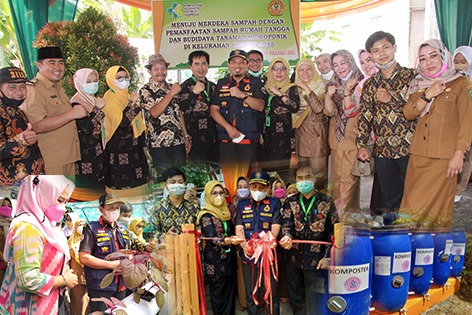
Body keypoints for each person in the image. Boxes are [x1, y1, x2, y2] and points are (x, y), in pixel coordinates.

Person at [398, 39, 472, 228]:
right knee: (410, 207)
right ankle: (410, 250)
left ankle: (432, 251)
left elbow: (467, 121)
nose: (428, 62)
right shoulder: (419, 83)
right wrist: (427, 95)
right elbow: (408, 113)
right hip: (418, 156)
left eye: (433, 56)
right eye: (422, 59)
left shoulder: (462, 83)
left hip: (444, 159)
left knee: (436, 211)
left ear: (442, 56)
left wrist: (459, 154)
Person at [356, 31, 417, 224]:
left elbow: (418, 109)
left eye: (386, 48)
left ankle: (414, 237)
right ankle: (394, 240)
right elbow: (365, 115)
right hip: (383, 151)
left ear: (395, 48)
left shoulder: (412, 77)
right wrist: (361, 145)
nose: (382, 54)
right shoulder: (370, 85)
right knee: (390, 201)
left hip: (411, 148)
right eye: (376, 51)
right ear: (371, 55)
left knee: (413, 196)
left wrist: (392, 100)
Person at [0, 175, 78, 314]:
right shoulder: (28, 228)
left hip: (48, 303)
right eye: (59, 200)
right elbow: (28, 279)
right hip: (28, 307)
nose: (63, 207)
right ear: (42, 194)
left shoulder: (47, 225)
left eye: (65, 202)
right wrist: (64, 280)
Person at [279, 166, 339, 315]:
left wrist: (327, 257)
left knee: (316, 298)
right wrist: (286, 236)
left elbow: (334, 232)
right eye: (300, 178)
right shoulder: (290, 201)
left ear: (314, 179)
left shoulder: (326, 201)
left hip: (317, 260)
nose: (303, 181)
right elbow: (287, 225)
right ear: (295, 180)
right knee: (297, 297)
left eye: (307, 177)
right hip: (294, 258)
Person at [22, 47, 87, 175]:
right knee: (54, 196)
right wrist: (71, 114)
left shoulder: (57, 87)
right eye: (51, 63)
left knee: (69, 195)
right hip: (51, 161)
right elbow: (37, 125)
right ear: (39, 65)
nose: (58, 67)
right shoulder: (34, 89)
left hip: (68, 157)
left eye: (61, 63)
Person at [210, 49, 267, 174]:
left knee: (248, 178)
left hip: (248, 139)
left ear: (247, 65)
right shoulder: (221, 83)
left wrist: (243, 95)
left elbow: (260, 106)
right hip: (226, 139)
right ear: (229, 65)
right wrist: (228, 128)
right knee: (229, 178)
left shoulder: (256, 83)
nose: (237, 65)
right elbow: (214, 110)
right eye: (234, 62)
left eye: (241, 62)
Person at [235, 171, 282, 315]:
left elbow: (275, 229)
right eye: (254, 187)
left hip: (268, 255)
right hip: (248, 256)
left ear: (268, 188)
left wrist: (262, 246)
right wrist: (244, 245)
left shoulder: (274, 203)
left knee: (271, 292)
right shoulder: (242, 204)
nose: (257, 190)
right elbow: (239, 228)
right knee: (251, 293)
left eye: (261, 187)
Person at [325, 50, 364, 215]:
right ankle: (348, 219)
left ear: (350, 61)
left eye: (343, 63)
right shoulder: (333, 83)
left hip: (353, 136)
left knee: (347, 182)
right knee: (337, 181)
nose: (340, 67)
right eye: (336, 64)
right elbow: (329, 112)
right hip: (336, 138)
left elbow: (356, 111)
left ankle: (342, 222)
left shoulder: (361, 81)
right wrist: (328, 95)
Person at [79, 193, 131, 313]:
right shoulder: (91, 228)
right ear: (101, 209)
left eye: (117, 208)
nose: (114, 211)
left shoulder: (123, 229)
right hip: (101, 285)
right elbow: (84, 257)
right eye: (111, 208)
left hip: (121, 284)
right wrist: (111, 265)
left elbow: (129, 252)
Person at [139, 54, 191, 173]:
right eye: (156, 69)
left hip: (178, 141)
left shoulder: (173, 87)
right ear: (149, 71)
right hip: (158, 144)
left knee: (180, 177)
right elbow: (154, 112)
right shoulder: (146, 90)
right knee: (163, 180)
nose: (160, 72)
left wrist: (186, 136)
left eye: (163, 68)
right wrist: (171, 94)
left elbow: (179, 113)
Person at [197, 180, 241, 315]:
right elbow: (212, 239)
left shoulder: (226, 212)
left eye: (221, 193)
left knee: (230, 294)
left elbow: (232, 231)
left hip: (229, 260)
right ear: (208, 196)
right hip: (215, 263)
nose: (218, 196)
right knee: (218, 296)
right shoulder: (205, 215)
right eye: (214, 193)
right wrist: (227, 240)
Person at [102, 65, 149, 192]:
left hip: (135, 151)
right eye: (119, 78)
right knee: (122, 187)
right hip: (119, 152)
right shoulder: (110, 99)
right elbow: (122, 123)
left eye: (125, 77)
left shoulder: (127, 96)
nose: (123, 80)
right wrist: (132, 103)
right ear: (111, 80)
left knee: (139, 187)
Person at [0, 66, 44, 186]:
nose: (19, 92)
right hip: (10, 189)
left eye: (23, 87)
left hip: (30, 182)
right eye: (12, 87)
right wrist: (20, 141)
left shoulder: (17, 110)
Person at [357, 49, 385, 219]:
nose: (366, 65)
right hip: (371, 138)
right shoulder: (363, 85)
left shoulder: (388, 80)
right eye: (363, 62)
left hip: (390, 139)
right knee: (377, 177)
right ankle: (377, 215)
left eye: (369, 60)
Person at [293, 58, 329, 191]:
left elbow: (318, 108)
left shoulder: (321, 87)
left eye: (308, 69)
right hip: (300, 137)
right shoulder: (294, 89)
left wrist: (306, 87)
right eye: (301, 70)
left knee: (318, 175)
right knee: (303, 176)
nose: (305, 73)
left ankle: (320, 206)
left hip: (317, 137)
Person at [260, 57, 299, 176]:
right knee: (268, 174)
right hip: (267, 137)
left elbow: (294, 107)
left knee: (284, 173)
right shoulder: (264, 88)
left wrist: (279, 93)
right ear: (270, 71)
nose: (278, 72)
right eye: (275, 69)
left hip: (286, 138)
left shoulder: (292, 87)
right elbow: (261, 112)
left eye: (282, 69)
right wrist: (260, 134)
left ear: (287, 71)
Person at [179, 50, 218, 164]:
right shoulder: (184, 87)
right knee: (198, 175)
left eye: (204, 63)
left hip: (213, 138)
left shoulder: (213, 87)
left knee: (215, 175)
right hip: (194, 139)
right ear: (190, 66)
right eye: (197, 64)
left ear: (208, 65)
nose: (201, 67)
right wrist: (194, 93)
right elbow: (182, 111)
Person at [70, 68, 106, 189]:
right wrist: (97, 109)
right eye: (88, 81)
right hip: (85, 157)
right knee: (89, 191)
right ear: (79, 83)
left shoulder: (92, 100)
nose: (93, 84)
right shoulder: (76, 103)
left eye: (95, 81)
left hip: (97, 154)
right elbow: (86, 129)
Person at [148, 167, 199, 239]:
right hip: (167, 249)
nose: (177, 185)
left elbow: (199, 232)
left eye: (180, 182)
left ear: (185, 184)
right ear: (165, 185)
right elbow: (152, 234)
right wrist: (165, 236)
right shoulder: (157, 209)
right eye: (173, 182)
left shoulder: (193, 207)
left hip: (189, 248)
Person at [453, 45, 472, 203]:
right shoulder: (451, 80)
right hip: (454, 125)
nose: (459, 64)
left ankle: (459, 190)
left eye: (463, 61)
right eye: (456, 61)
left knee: (466, 158)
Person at [67, 218, 88, 315]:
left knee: (86, 301)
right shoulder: (70, 241)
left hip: (87, 274)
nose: (81, 228)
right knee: (77, 300)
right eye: (79, 225)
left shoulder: (87, 240)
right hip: (75, 274)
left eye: (83, 225)